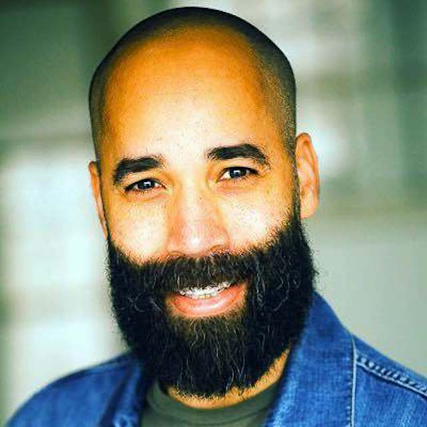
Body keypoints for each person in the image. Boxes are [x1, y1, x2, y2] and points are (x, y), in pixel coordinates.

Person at [8, 7, 426, 427]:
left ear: (303, 179)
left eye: (235, 173)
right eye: (146, 184)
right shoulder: (45, 419)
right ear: (101, 204)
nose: (194, 239)